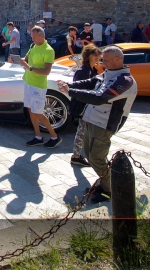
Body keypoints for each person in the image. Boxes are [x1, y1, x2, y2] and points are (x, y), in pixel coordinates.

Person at [57, 46, 137, 204]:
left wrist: (70, 91)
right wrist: (69, 85)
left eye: (105, 60)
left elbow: (100, 97)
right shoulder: (108, 73)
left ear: (118, 60)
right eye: (102, 60)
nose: (102, 64)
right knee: (90, 155)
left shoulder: (125, 81)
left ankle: (111, 190)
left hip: (104, 124)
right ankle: (105, 182)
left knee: (97, 158)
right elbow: (90, 82)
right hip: (91, 119)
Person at [18, 25, 61, 148]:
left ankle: (54, 136)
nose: (32, 39)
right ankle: (38, 136)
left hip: (38, 86)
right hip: (28, 82)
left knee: (38, 112)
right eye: (32, 36)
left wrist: (30, 68)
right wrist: (19, 60)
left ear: (42, 36)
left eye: (34, 37)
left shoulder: (48, 50)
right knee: (31, 110)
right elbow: (26, 58)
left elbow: (46, 71)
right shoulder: (33, 46)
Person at [69, 44, 102, 168]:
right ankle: (76, 156)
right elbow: (79, 89)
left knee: (83, 131)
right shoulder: (84, 71)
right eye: (95, 55)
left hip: (88, 106)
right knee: (83, 131)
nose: (98, 57)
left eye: (98, 55)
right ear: (88, 56)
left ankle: (77, 156)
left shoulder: (90, 69)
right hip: (84, 106)